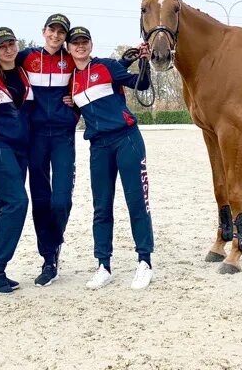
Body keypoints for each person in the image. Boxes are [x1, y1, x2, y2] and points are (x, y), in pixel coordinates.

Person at [64, 26, 155, 290]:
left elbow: (143, 83)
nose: (80, 46)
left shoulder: (107, 66)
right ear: (69, 48)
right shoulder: (70, 79)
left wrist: (145, 61)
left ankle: (144, 262)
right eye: (75, 43)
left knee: (137, 202)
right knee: (101, 207)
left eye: (84, 42)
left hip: (127, 139)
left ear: (91, 45)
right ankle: (103, 265)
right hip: (98, 146)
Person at [17, 13, 78, 286]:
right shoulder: (27, 56)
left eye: (61, 33)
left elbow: (99, 72)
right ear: (43, 31)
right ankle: (48, 259)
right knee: (41, 200)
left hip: (63, 136)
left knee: (61, 200)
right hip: (36, 137)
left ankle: (55, 244)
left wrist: (75, 102)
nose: (55, 36)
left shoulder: (73, 59)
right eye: (51, 31)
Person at [0, 26, 33, 295]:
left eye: (11, 44)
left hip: (21, 148)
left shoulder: (24, 71)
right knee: (17, 201)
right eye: (1, 46)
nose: (8, 49)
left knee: (4, 205)